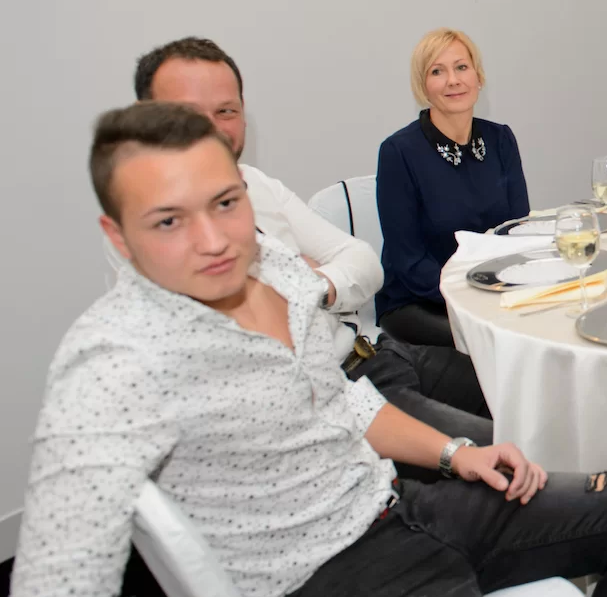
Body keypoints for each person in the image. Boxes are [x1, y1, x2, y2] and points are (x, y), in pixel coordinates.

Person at [9, 102, 607, 597]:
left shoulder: (273, 266)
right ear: (117, 236)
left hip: (402, 505)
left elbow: (339, 402)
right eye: (168, 221)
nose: (214, 239)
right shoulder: (115, 362)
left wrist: (456, 453)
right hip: (320, 585)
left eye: (225, 203)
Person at [133, 37, 492, 446]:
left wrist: (311, 286)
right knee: (506, 447)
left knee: (523, 389)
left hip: (376, 352)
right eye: (187, 114)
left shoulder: (259, 185)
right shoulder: (150, 236)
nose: (210, 128)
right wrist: (308, 280)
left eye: (226, 111)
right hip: (341, 390)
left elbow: (363, 262)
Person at [376, 28, 529, 348]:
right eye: (437, 71)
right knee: (500, 344)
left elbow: (516, 231)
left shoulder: (500, 139)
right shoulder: (399, 152)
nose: (453, 80)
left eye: (461, 67)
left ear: (478, 76)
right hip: (419, 302)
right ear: (422, 86)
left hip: (490, 294)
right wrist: (472, 296)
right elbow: (408, 261)